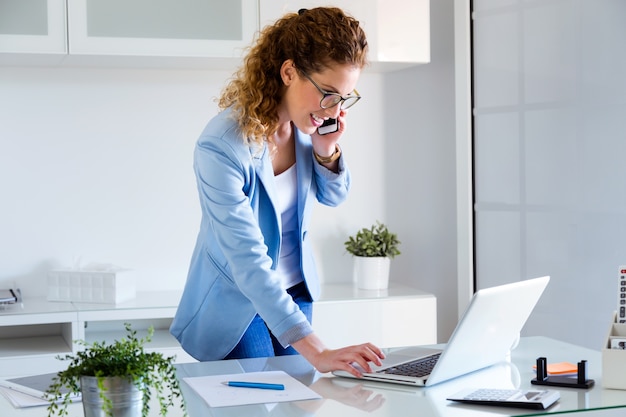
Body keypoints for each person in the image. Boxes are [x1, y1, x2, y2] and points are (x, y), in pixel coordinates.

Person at [170, 7, 384, 377]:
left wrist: (326, 149)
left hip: (295, 290)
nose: (332, 109)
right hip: (239, 301)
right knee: (262, 401)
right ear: (288, 72)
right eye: (328, 94)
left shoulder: (306, 129)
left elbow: (334, 196)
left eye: (344, 97)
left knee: (298, 401)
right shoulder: (221, 146)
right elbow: (248, 261)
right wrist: (320, 351)